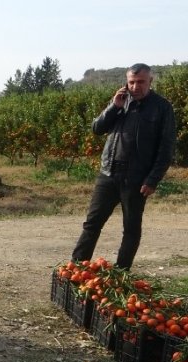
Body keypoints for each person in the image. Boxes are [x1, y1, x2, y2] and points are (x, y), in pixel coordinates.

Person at [71, 63, 176, 270]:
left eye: (140, 82)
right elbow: (97, 129)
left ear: (150, 81)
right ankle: (77, 269)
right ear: (126, 83)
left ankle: (121, 273)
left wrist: (152, 179)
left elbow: (166, 149)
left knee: (131, 229)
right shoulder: (120, 102)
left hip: (136, 179)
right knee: (92, 224)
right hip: (108, 174)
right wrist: (113, 107)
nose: (136, 87)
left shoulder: (162, 108)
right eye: (131, 82)